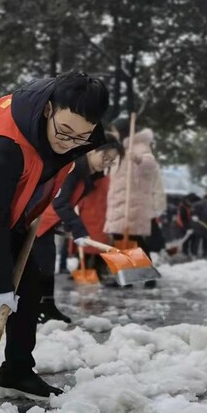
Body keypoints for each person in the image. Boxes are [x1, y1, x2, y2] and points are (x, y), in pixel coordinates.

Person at [0, 73, 110, 398]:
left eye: (80, 138)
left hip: (11, 197)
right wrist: (0, 283)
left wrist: (11, 282)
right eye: (64, 132)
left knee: (29, 282)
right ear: (48, 110)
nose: (69, 143)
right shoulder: (6, 142)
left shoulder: (81, 133)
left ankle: (17, 371)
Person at [34, 137, 123, 322]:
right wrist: (78, 229)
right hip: (37, 221)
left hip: (49, 223)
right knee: (40, 266)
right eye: (105, 156)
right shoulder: (74, 168)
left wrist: (67, 225)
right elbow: (60, 202)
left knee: (47, 264)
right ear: (93, 149)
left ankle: (48, 307)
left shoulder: (89, 173)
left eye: (111, 160)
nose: (107, 162)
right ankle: (36, 310)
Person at [104, 122, 162, 266]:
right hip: (118, 203)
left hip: (132, 204)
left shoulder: (139, 147)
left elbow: (151, 165)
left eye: (115, 130)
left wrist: (139, 159)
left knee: (134, 240)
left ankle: (145, 274)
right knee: (120, 239)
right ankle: (126, 276)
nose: (114, 133)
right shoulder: (118, 149)